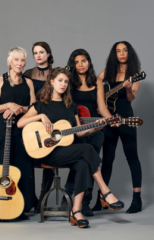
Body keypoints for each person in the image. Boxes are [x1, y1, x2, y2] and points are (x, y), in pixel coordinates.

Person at [17, 67, 124, 228]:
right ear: (51, 81)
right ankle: (105, 192)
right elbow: (20, 123)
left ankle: (76, 211)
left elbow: (79, 132)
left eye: (66, 81)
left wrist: (96, 127)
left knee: (82, 163)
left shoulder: (71, 106)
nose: (63, 84)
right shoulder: (41, 105)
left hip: (66, 151)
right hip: (47, 153)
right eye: (60, 80)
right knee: (87, 149)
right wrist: (40, 116)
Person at [63, 49, 117, 216]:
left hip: (96, 128)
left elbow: (101, 107)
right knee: (81, 162)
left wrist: (112, 120)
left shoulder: (97, 82)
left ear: (89, 62)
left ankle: (85, 203)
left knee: (93, 164)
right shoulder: (69, 83)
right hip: (77, 129)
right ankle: (69, 198)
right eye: (77, 61)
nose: (80, 64)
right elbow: (66, 107)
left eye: (84, 61)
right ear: (73, 64)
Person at [93, 41, 142, 214]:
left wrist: (128, 88)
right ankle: (102, 198)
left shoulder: (134, 75)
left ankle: (137, 199)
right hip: (108, 119)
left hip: (126, 118)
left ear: (130, 53)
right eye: (118, 50)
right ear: (114, 54)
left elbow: (130, 98)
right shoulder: (107, 73)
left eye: (125, 50)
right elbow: (95, 89)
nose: (122, 53)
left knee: (132, 156)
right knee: (107, 159)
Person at [0, 46, 36, 220]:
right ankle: (2, 205)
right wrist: (9, 104)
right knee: (4, 167)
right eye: (16, 60)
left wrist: (19, 109)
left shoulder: (29, 82)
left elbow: (34, 108)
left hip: (24, 129)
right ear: (10, 61)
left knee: (23, 167)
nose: (19, 63)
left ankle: (21, 207)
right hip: (4, 130)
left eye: (23, 60)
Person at [23, 42, 55, 213]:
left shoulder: (56, 74)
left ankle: (43, 196)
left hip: (50, 119)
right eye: (35, 53)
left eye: (42, 52)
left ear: (48, 54)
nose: (38, 56)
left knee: (48, 156)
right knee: (28, 157)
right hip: (32, 118)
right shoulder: (27, 73)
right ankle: (31, 196)